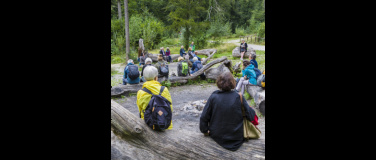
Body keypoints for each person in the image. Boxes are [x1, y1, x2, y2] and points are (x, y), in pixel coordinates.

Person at [200, 72, 258, 151]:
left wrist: (205, 130)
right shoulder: (239, 96)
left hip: (216, 135)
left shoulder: (213, 96)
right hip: (236, 137)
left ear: (219, 82)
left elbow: (204, 117)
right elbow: (251, 116)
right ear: (232, 82)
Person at [137, 66, 173, 130]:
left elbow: (140, 111)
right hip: (164, 124)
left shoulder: (140, 92)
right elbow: (170, 108)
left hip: (148, 125)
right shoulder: (164, 89)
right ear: (156, 78)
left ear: (144, 78)